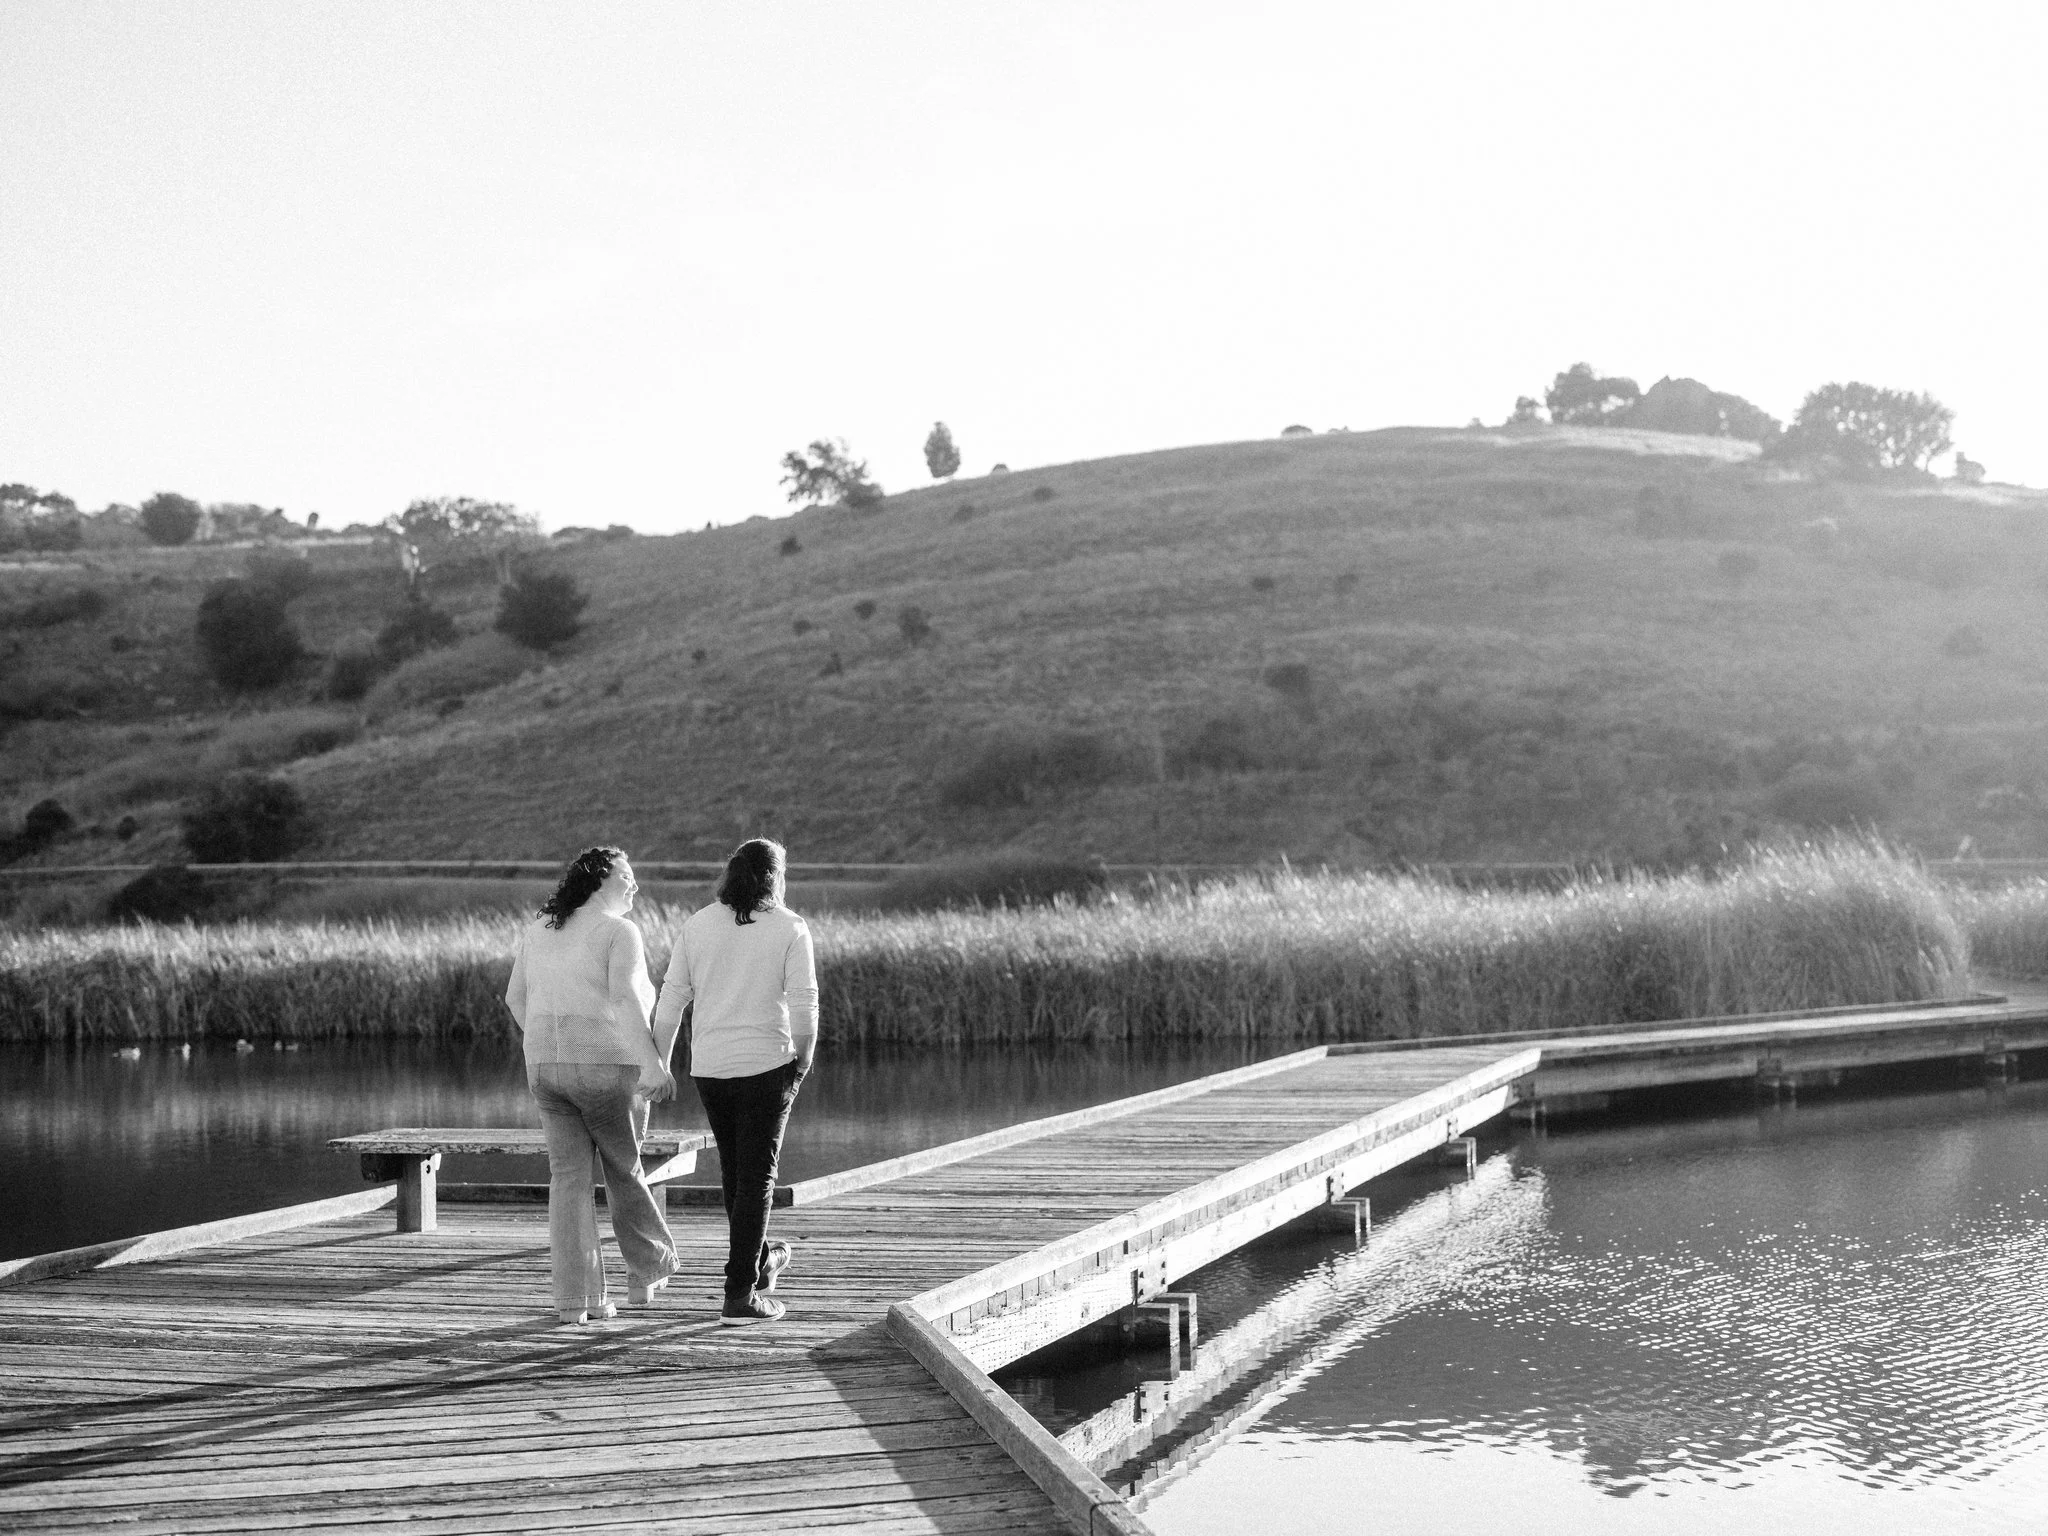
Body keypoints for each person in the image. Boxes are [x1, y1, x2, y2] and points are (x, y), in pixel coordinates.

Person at [504, 846, 679, 1324]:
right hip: (606, 1068)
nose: (635, 885)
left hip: (545, 1069)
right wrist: (654, 1067)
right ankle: (653, 1267)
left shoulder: (540, 927)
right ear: (602, 878)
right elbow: (625, 999)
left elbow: (514, 997)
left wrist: (546, 1045)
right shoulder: (618, 931)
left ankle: (575, 1304)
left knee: (568, 1181)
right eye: (627, 875)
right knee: (624, 1170)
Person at [654, 837, 817, 1325]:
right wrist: (803, 1061)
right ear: (776, 877)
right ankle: (739, 1294)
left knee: (737, 1173)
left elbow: (671, 1000)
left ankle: (760, 1262)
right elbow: (805, 1001)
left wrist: (660, 1064)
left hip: (711, 1069)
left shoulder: (698, 924)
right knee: (757, 1179)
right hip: (769, 1064)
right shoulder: (790, 927)